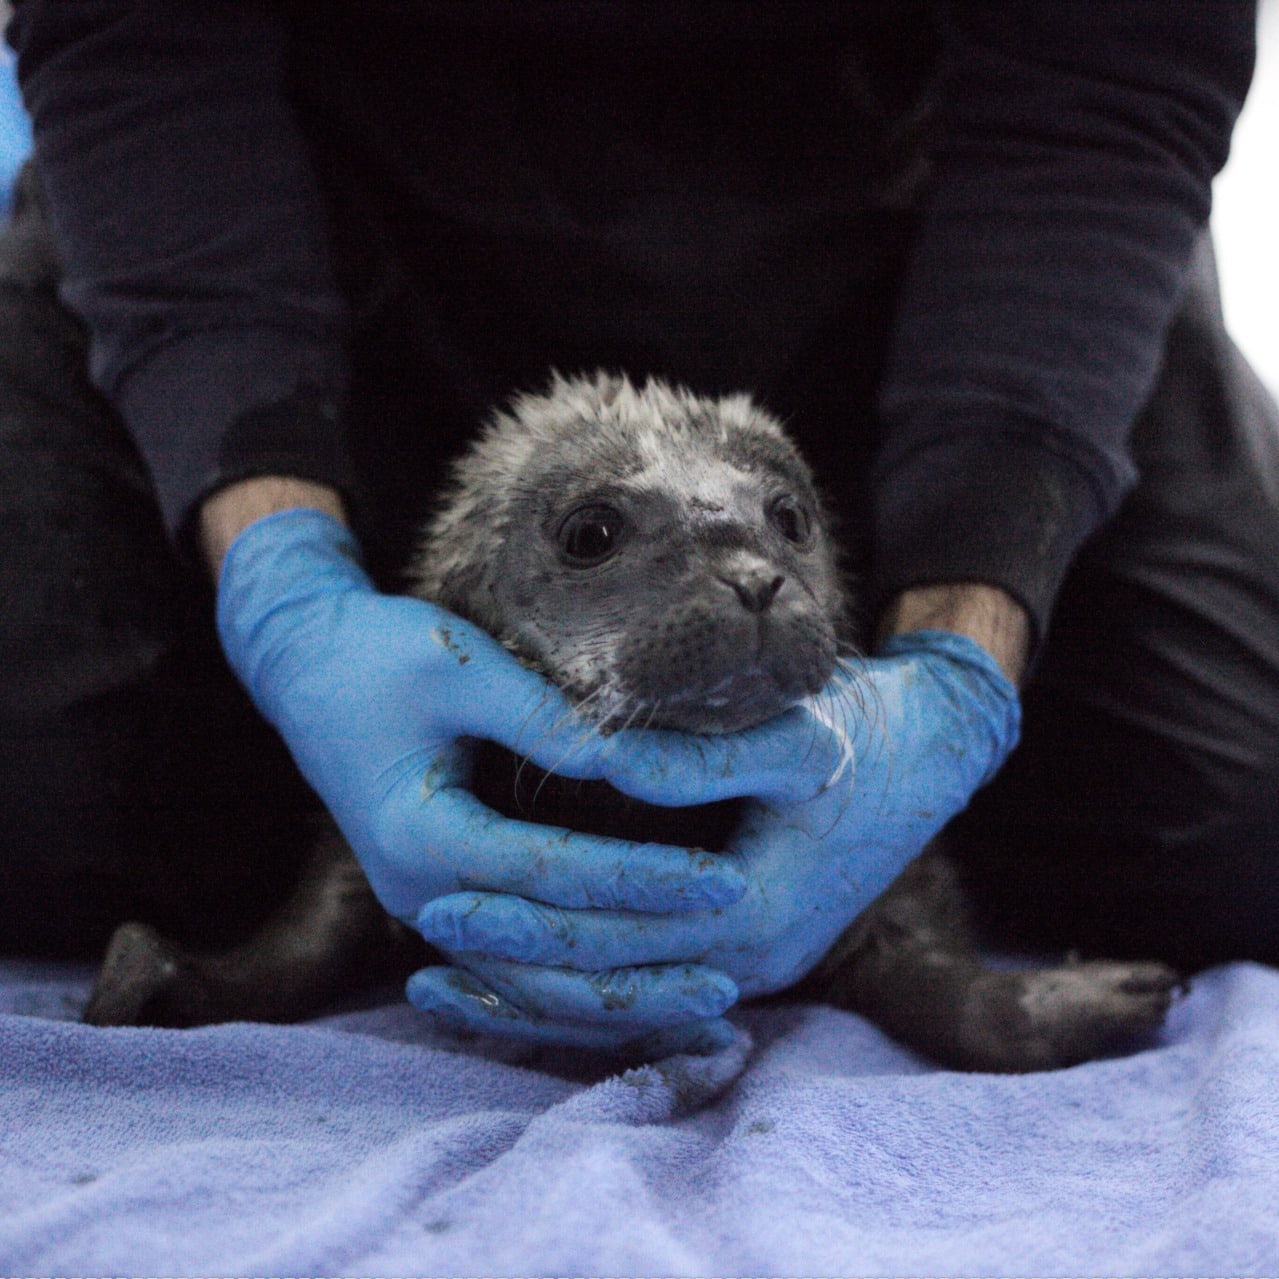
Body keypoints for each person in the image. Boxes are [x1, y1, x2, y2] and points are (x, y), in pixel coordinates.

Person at [2, 2, 1276, 1053]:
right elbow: (130, 38)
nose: (750, 585)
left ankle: (850, 857)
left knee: (1229, 837)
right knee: (42, 793)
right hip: (288, 226)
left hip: (945, 249)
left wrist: (960, 664)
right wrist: (283, 593)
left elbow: (1114, 76)